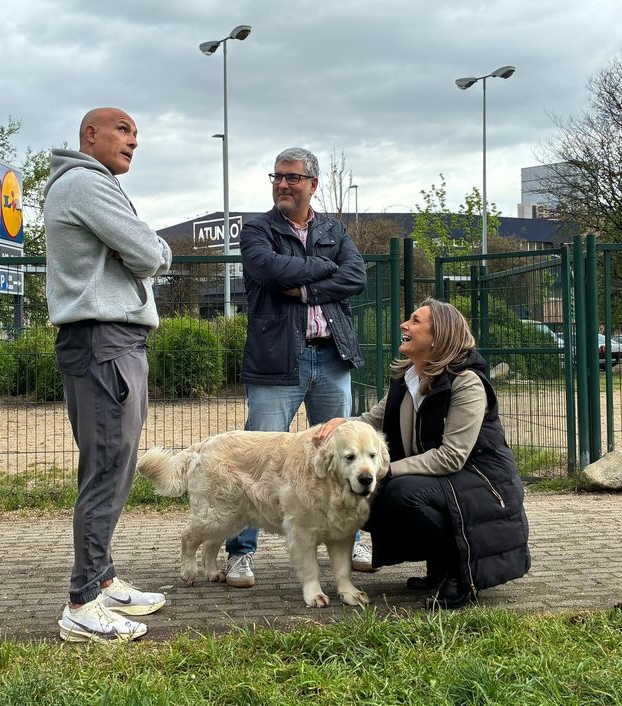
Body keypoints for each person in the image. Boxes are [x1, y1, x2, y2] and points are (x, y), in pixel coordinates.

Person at [43, 107, 173, 643]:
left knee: (109, 466)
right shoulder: (84, 183)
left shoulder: (89, 184)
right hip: (103, 341)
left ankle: (103, 577)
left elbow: (138, 253)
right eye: (123, 130)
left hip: (111, 342)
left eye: (137, 134)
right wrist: (148, 248)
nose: (133, 142)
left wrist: (140, 251)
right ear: (89, 135)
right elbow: (149, 251)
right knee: (108, 469)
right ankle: (82, 602)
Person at [316, 298, 531, 609]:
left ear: (438, 336)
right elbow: (373, 420)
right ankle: (440, 568)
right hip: (444, 482)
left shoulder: (467, 382)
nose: (404, 325)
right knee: (364, 491)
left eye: (415, 321)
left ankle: (460, 572)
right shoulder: (408, 378)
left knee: (400, 492)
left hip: (484, 485)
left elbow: (452, 456)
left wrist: (385, 470)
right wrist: (339, 425)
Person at [224, 146, 371, 590]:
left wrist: (305, 290)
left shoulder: (332, 228)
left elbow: (357, 275)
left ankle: (353, 539)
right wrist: (324, 268)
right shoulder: (258, 230)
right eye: (277, 177)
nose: (282, 184)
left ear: (312, 184)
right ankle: (240, 554)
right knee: (259, 460)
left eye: (292, 177)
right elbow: (267, 270)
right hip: (276, 361)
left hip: (331, 356)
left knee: (343, 451)